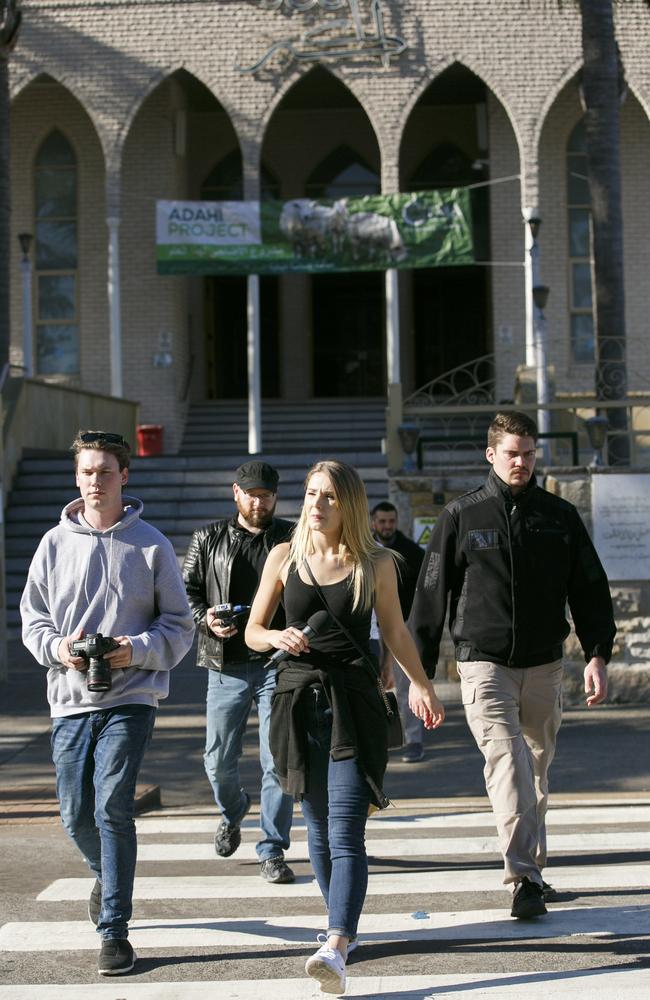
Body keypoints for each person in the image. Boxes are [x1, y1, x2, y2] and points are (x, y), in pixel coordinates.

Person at [245, 459, 445, 995]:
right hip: (297, 703)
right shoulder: (284, 557)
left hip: (353, 704)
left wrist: (421, 683)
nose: (316, 504)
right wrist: (276, 639)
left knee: (345, 828)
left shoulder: (376, 562)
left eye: (329, 496)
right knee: (316, 827)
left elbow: (396, 630)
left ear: (349, 504)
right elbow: (252, 630)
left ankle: (336, 942)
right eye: (311, 494)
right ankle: (343, 927)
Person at [409, 411, 616, 920]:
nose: (520, 462)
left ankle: (534, 871)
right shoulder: (461, 516)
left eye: (527, 453)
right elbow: (430, 596)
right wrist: (419, 678)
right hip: (484, 665)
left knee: (536, 772)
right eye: (511, 454)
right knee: (508, 764)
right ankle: (522, 877)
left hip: (545, 665)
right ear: (491, 455)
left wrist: (598, 654)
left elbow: (588, 588)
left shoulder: (559, 516)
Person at [20, 430, 195, 976]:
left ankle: (114, 930)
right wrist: (61, 649)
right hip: (69, 699)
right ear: (77, 477)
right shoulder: (53, 543)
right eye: (88, 471)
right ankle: (108, 874)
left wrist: (134, 650)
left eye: (106, 471)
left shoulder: (151, 544)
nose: (96, 479)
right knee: (75, 815)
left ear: (126, 476)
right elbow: (33, 620)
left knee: (112, 806)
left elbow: (180, 626)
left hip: (132, 696)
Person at [182, 460, 296, 883]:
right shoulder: (208, 538)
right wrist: (206, 617)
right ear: (236, 494)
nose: (258, 501)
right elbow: (186, 592)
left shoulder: (291, 537)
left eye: (265, 494)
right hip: (225, 662)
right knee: (217, 760)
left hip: (275, 662)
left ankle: (272, 849)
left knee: (277, 759)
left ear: (275, 496)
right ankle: (233, 810)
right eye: (251, 494)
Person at [371, 501, 426, 762]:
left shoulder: (411, 552)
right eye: (382, 521)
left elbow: (424, 591)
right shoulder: (363, 548)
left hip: (402, 622)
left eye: (391, 521)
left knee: (406, 683)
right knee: (374, 684)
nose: (387, 526)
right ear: (373, 523)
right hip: (369, 624)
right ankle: (377, 739)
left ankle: (413, 740)